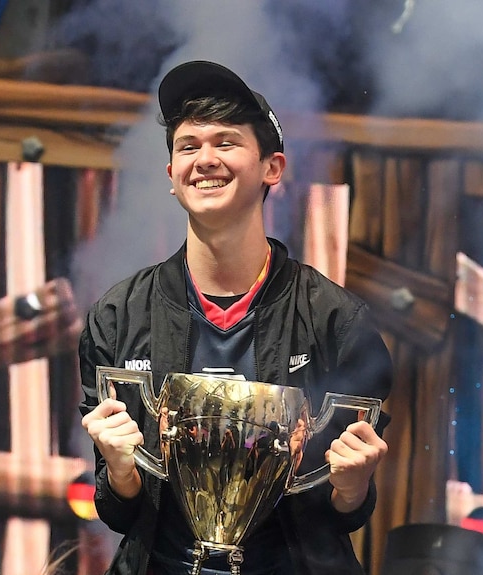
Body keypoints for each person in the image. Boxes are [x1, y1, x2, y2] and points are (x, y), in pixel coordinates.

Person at [79, 60, 393, 575]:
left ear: (273, 167)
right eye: (188, 146)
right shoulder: (118, 316)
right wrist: (117, 468)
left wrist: (354, 485)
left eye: (226, 142)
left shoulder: (335, 321)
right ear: (171, 177)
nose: (205, 159)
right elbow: (120, 511)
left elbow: (344, 512)